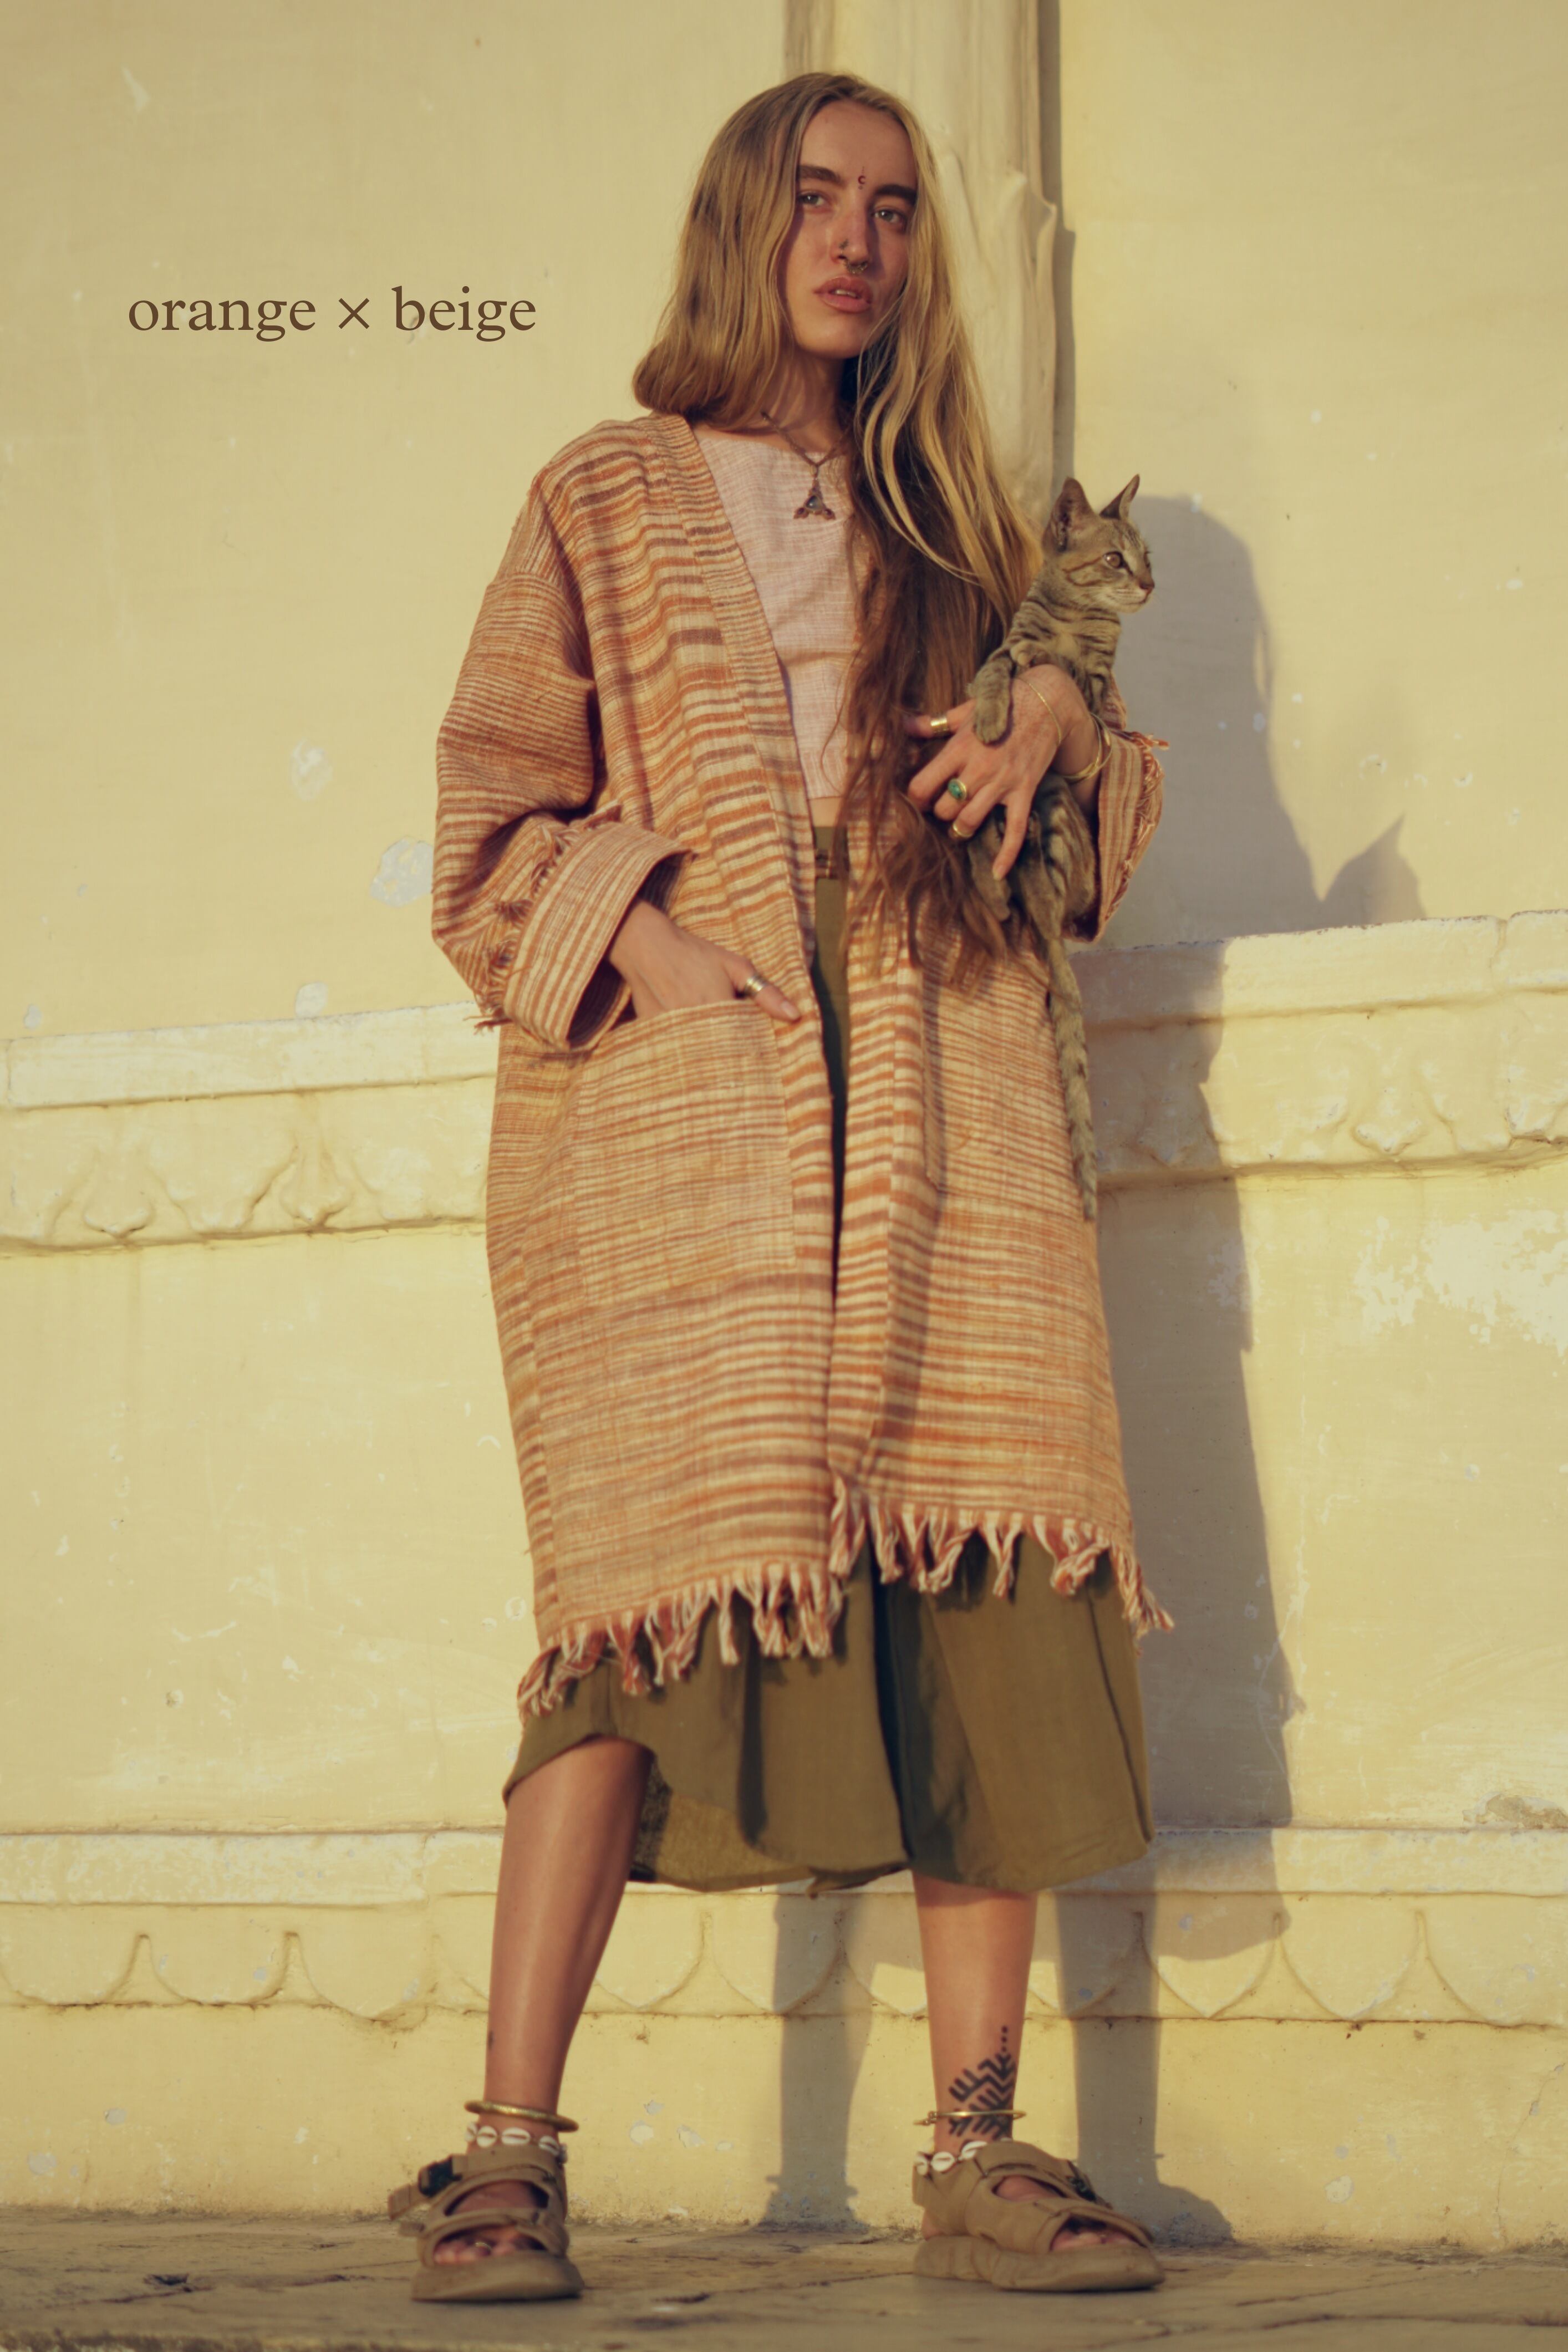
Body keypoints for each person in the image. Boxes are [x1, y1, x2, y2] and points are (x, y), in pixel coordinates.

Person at [401, 69, 1169, 2305]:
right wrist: (644, 941)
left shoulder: (970, 532)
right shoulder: (603, 490)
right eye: (815, 198)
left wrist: (1058, 727)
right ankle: (505, 2160)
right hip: (684, 1097)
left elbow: (1071, 856)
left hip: (950, 1076)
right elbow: (487, 819)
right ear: (741, 222)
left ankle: (976, 2151)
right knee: (629, 1610)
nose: (855, 240)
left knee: (983, 1572)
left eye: (895, 210)